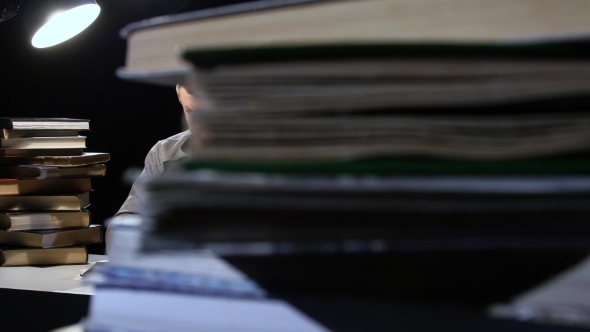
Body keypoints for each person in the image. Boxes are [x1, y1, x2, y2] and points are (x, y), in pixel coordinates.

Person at [105, 84, 200, 245]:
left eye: (211, 113)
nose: (203, 124)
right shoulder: (164, 152)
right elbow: (122, 224)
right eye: (191, 112)